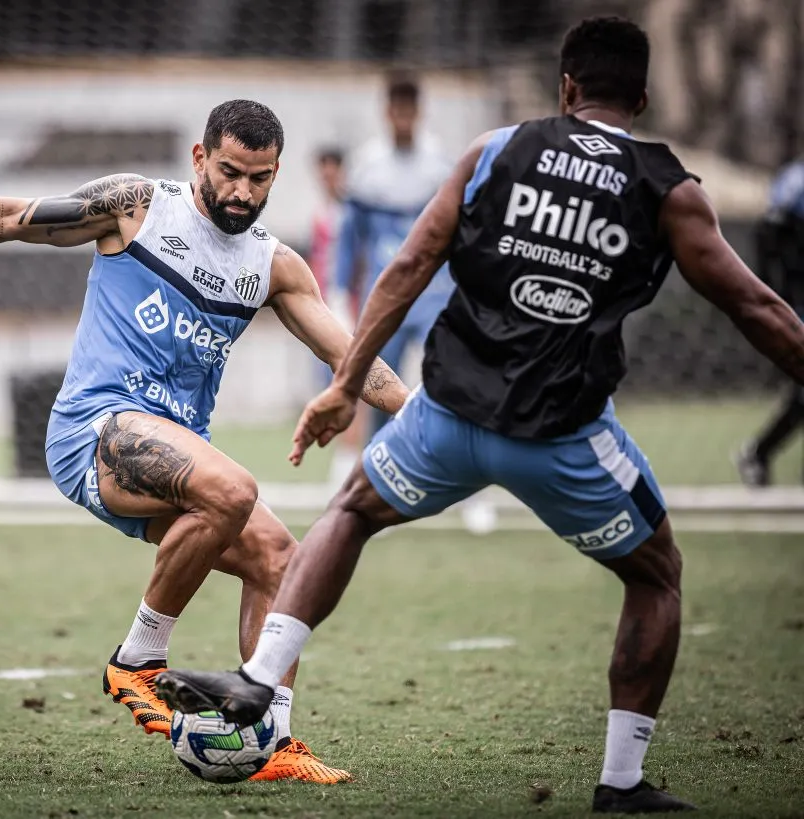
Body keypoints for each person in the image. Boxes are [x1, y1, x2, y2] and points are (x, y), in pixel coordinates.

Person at [157, 17, 804, 812]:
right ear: (642, 98)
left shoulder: (495, 151)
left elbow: (408, 265)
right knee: (657, 574)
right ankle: (621, 781)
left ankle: (260, 677)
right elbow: (756, 307)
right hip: (563, 437)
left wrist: (345, 384)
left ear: (565, 88)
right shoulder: (668, 187)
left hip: (447, 417)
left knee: (352, 510)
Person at [0, 99, 410, 783]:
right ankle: (139, 658)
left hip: (175, 453)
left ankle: (272, 739)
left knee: (280, 559)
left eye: (259, 179)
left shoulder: (275, 266)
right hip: (94, 429)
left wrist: (421, 413)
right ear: (199, 158)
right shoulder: (136, 207)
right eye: (229, 172)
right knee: (234, 489)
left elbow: (353, 360)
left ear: (276, 175)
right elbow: (13, 218)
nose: (242, 191)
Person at [328, 75, 455, 443]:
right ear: (387, 113)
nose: (403, 120)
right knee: (380, 387)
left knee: (448, 380)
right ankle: (376, 461)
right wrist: (340, 291)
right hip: (386, 294)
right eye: (397, 111)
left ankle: (450, 465)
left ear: (418, 112)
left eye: (408, 112)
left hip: (433, 293)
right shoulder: (368, 167)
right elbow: (351, 237)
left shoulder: (439, 166)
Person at [735, 156, 804, 486]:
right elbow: (769, 234)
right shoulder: (795, 182)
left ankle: (759, 453)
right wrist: (771, 295)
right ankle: (758, 453)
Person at [306, 147, 366, 486]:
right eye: (323, 174)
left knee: (351, 382)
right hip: (324, 307)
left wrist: (354, 303)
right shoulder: (320, 214)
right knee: (331, 383)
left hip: (349, 307)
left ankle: (348, 458)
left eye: (332, 173)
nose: (327, 179)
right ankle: (347, 454)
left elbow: (359, 262)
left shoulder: (351, 213)